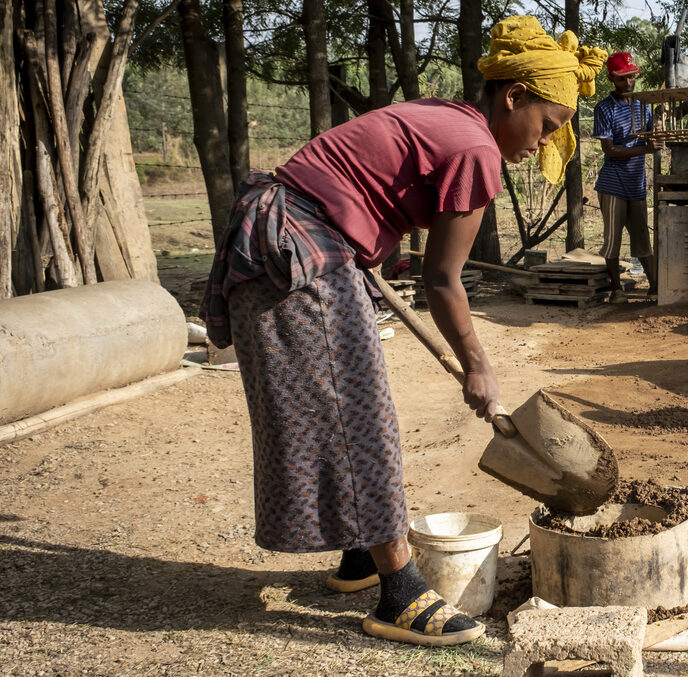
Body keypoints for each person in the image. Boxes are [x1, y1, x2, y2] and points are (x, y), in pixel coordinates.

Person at [198, 16, 604, 647]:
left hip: (287, 236)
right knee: (358, 415)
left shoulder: (451, 117)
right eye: (546, 126)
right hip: (298, 249)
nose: (540, 145)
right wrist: (477, 363)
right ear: (514, 96)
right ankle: (401, 595)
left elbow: (365, 187)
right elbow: (444, 280)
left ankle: (362, 551)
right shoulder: (475, 149)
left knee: (337, 407)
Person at [593, 50, 657, 302]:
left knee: (642, 236)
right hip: (613, 184)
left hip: (636, 183)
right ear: (611, 79)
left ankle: (654, 287)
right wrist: (645, 149)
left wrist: (661, 127)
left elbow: (654, 134)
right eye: (622, 78)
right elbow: (609, 149)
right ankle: (616, 290)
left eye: (631, 77)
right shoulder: (604, 108)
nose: (628, 82)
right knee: (613, 238)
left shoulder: (644, 106)